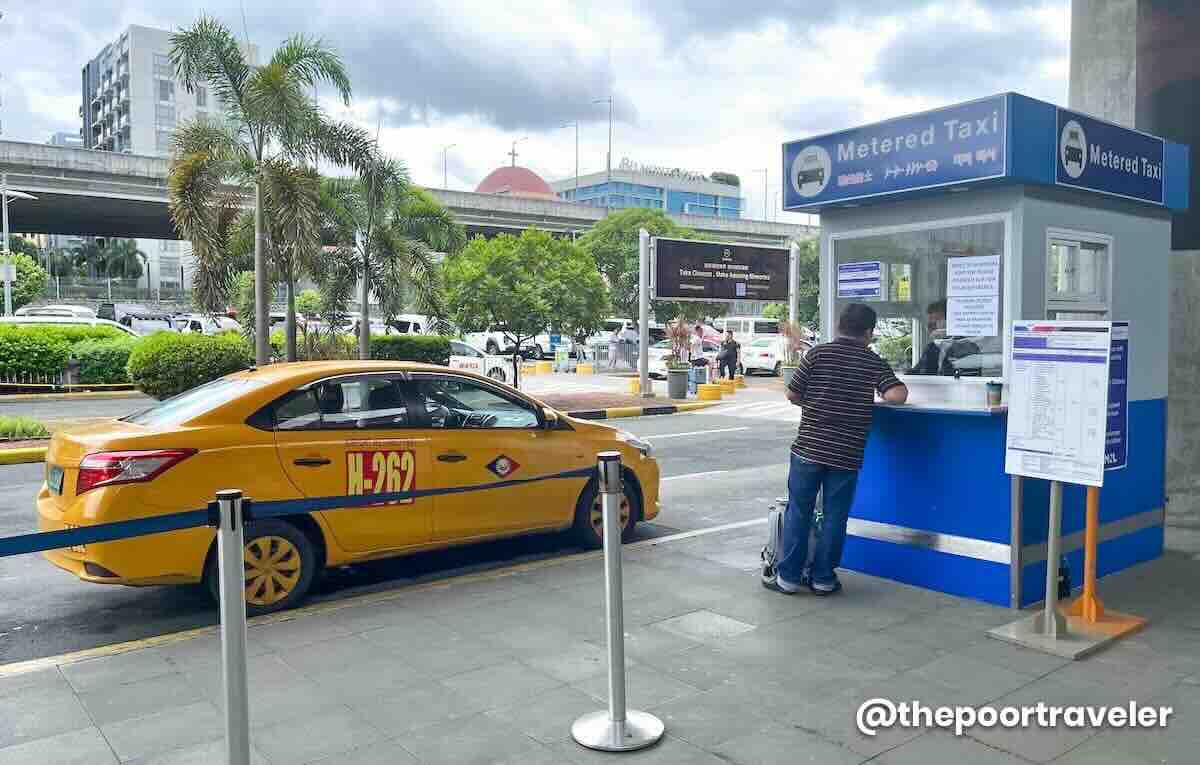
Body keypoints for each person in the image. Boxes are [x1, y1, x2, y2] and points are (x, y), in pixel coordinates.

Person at [764, 303, 908, 596]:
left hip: (809, 447)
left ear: (840, 327)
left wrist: (817, 404)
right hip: (846, 453)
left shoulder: (817, 353)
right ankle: (823, 579)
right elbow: (897, 395)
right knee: (834, 515)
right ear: (869, 332)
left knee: (799, 512)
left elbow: (792, 393)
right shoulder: (872, 361)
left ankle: (789, 578)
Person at [913, 299, 948, 374]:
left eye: (937, 319)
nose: (931, 324)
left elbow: (923, 374)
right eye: (930, 319)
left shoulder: (935, 348)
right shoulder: (934, 347)